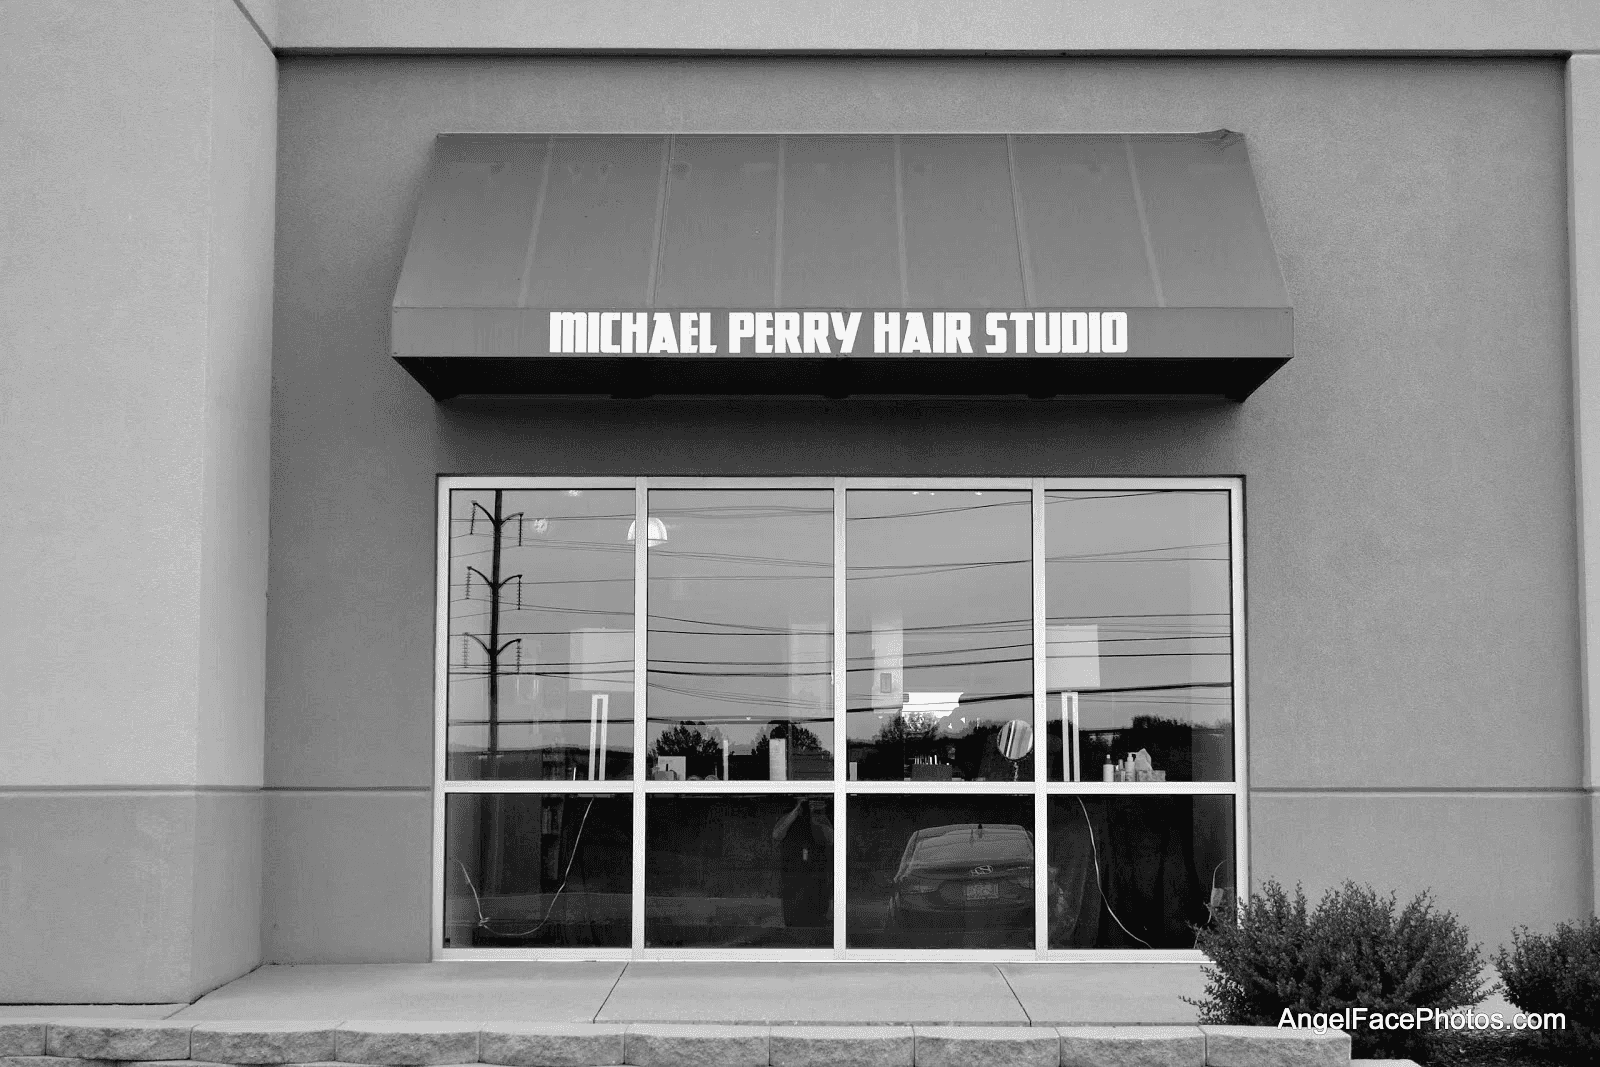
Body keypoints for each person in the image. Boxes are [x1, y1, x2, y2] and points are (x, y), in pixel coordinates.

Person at [771, 797, 832, 932]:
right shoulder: (789, 814)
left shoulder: (821, 815)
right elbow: (777, 834)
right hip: (793, 877)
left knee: (816, 918)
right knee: (794, 919)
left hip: (816, 877)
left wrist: (816, 815)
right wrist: (795, 812)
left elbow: (830, 838)